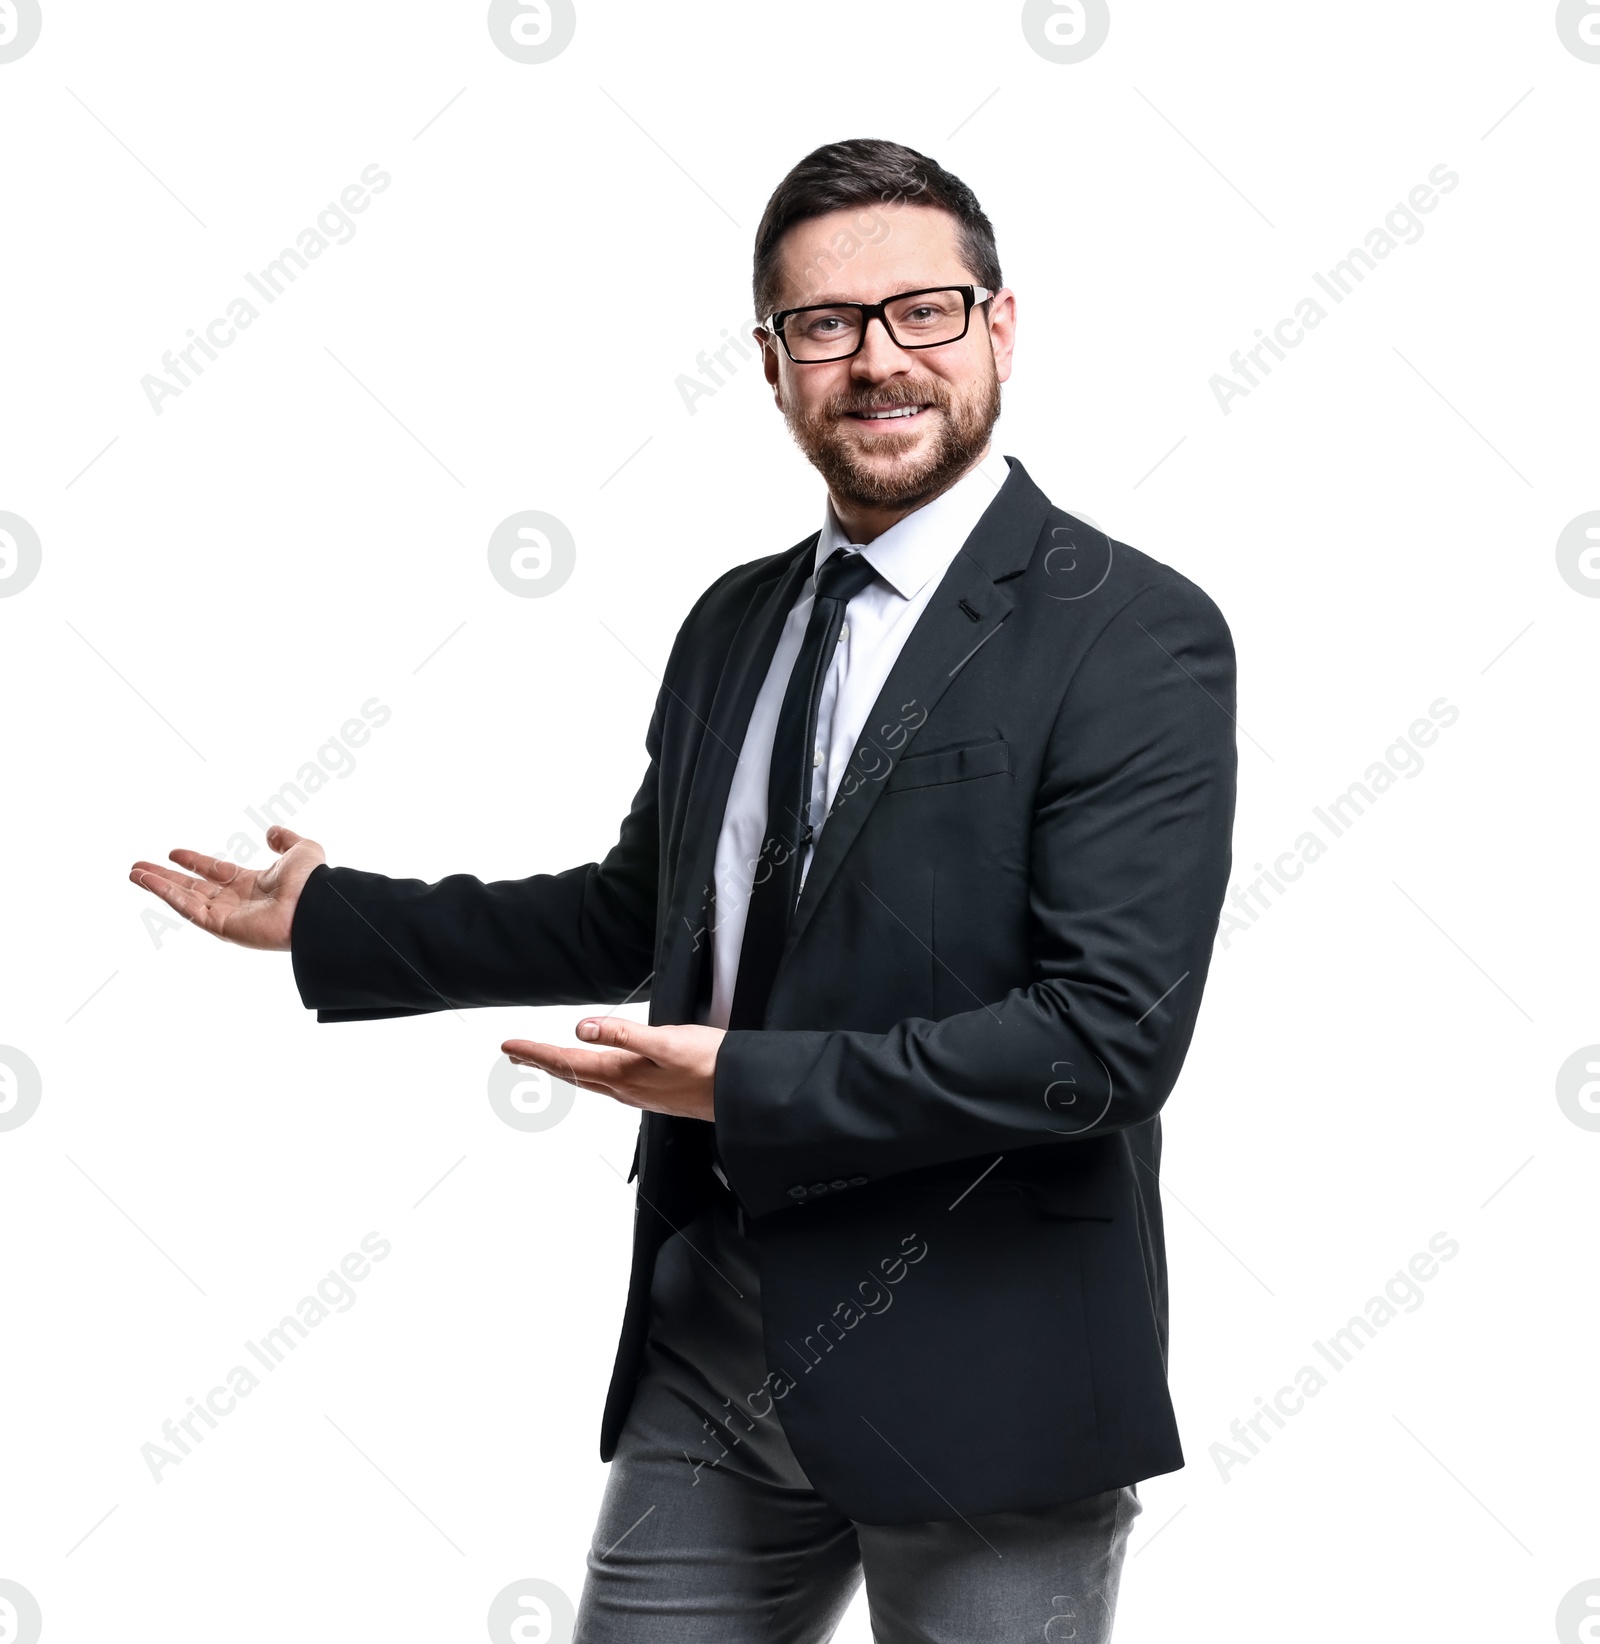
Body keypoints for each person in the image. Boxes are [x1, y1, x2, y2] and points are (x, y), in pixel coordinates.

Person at [131, 138, 1237, 1643]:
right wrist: (335, 916)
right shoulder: (735, 623)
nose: (876, 361)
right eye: (823, 325)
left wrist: (749, 1086)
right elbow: (635, 911)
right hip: (718, 1343)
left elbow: (1104, 1042)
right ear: (773, 364)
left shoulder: (1133, 635)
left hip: (988, 1372)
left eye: (921, 312)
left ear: (998, 326)